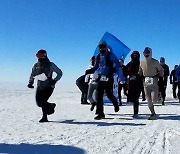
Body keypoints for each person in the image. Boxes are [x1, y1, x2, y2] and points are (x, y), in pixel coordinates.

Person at [85, 41, 124, 120]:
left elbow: (117, 65)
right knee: (99, 96)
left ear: (106, 47)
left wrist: (121, 77)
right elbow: (96, 67)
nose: (101, 48)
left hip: (109, 77)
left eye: (103, 47)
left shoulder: (111, 55)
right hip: (100, 77)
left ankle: (115, 103)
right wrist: (90, 71)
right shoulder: (98, 56)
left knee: (109, 94)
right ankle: (101, 113)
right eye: (100, 47)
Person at [27, 49, 63, 122]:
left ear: (44, 55)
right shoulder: (36, 65)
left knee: (43, 101)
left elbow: (59, 73)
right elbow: (33, 74)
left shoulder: (50, 64)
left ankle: (44, 117)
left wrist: (55, 80)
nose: (38, 57)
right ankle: (51, 105)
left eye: (40, 55)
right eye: (37, 55)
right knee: (39, 103)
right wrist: (30, 83)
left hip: (49, 86)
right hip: (40, 86)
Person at [139, 47, 164, 120]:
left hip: (154, 80)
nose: (146, 54)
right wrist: (139, 76)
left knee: (154, 100)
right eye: (145, 53)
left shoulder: (155, 62)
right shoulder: (142, 62)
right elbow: (140, 70)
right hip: (146, 81)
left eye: (148, 53)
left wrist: (161, 76)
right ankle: (153, 113)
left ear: (150, 53)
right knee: (148, 99)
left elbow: (161, 69)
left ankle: (159, 96)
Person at [124, 51, 142, 118]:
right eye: (134, 55)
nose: (135, 56)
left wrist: (137, 76)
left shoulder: (140, 64)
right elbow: (124, 71)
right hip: (130, 84)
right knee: (132, 98)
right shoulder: (130, 64)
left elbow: (143, 73)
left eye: (136, 55)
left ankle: (135, 112)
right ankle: (135, 111)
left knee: (136, 98)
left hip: (138, 83)